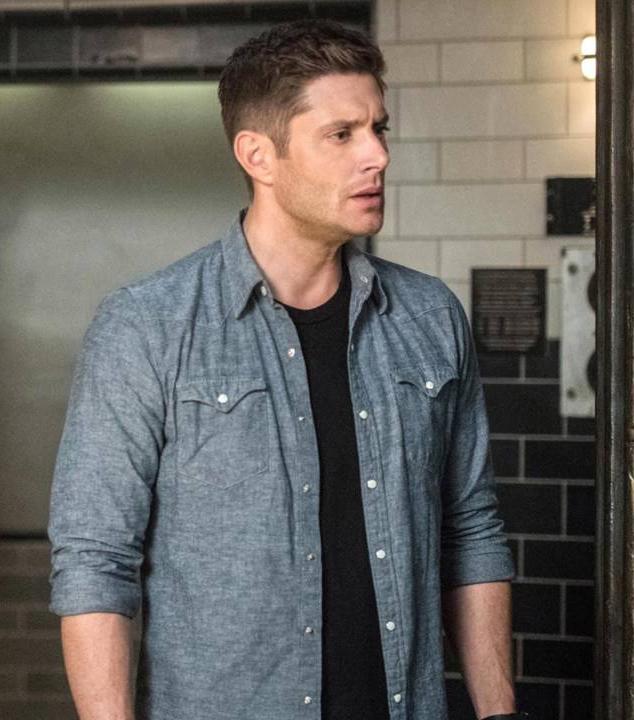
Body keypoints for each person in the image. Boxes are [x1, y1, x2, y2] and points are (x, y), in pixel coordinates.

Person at [48, 20, 524, 720]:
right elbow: (96, 562)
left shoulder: (428, 317)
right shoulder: (146, 326)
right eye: (342, 134)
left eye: (379, 129)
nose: (378, 156)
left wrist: (499, 712)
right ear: (258, 155)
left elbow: (471, 529)